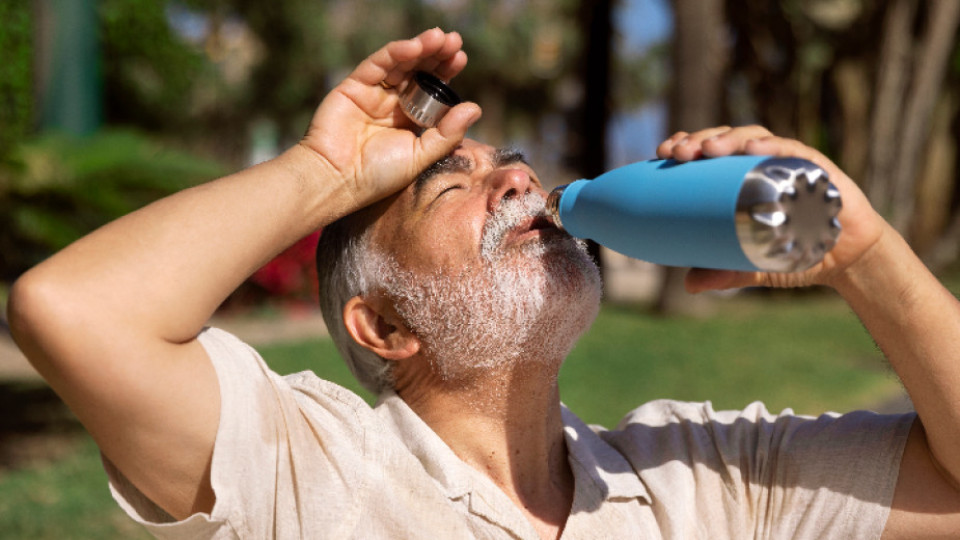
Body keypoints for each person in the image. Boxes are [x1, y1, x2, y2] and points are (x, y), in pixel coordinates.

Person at [7, 28, 960, 539]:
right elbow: (74, 311)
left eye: (508, 164)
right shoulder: (306, 473)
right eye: (449, 187)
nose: (519, 180)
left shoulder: (708, 478)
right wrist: (325, 174)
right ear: (383, 326)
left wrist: (862, 254)